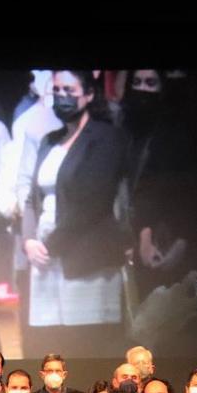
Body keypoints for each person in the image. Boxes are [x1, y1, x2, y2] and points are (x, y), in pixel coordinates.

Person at [21, 70, 128, 355]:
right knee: (52, 348)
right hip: (45, 258)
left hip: (85, 256)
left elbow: (93, 200)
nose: (62, 97)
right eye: (56, 90)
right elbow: (32, 196)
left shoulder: (106, 137)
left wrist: (52, 245)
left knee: (86, 345)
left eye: (69, 90)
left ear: (89, 95)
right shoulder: (48, 140)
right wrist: (29, 240)